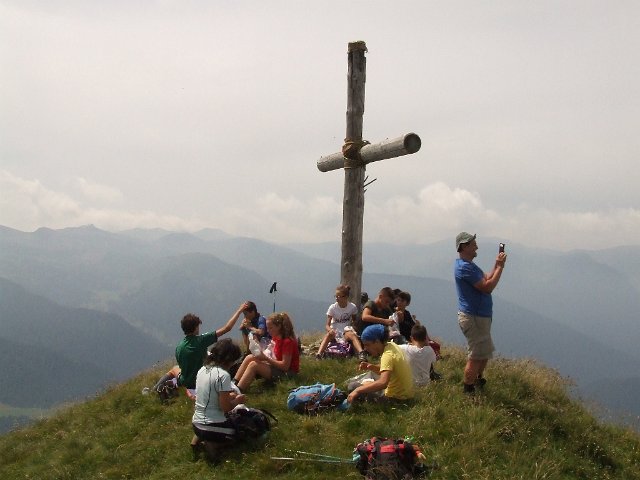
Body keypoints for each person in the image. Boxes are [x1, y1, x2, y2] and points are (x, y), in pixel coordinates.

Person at [153, 302, 249, 397]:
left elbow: (182, 366)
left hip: (185, 382)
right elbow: (227, 328)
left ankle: (155, 389)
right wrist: (239, 310)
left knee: (174, 368)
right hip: (200, 380)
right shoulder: (201, 340)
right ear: (195, 328)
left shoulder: (179, 346)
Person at [454, 232, 507, 394]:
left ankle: (477, 380)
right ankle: (468, 389)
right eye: (473, 244)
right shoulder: (464, 268)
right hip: (474, 317)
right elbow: (487, 287)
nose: (477, 246)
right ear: (464, 246)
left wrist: (496, 265)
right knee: (476, 355)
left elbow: (486, 278)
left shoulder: (469, 265)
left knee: (484, 352)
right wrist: (500, 267)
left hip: (479, 316)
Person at [191, 339, 246, 459]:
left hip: (196, 424)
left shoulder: (202, 370)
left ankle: (196, 440)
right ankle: (213, 444)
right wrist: (237, 401)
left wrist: (228, 397)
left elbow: (210, 396)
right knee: (242, 433)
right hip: (212, 426)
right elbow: (225, 408)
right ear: (229, 360)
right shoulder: (223, 375)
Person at [346, 324, 414, 404]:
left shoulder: (387, 356)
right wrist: (371, 367)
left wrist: (358, 390)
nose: (365, 348)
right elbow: (387, 370)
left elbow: (383, 383)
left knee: (353, 386)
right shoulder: (392, 346)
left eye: (367, 345)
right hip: (406, 396)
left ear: (377, 341)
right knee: (367, 384)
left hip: (395, 399)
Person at [233, 312, 300, 392]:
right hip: (278, 369)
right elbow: (271, 354)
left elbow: (285, 366)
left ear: (279, 327)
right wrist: (258, 345)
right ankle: (234, 383)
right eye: (267, 328)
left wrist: (265, 359)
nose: (268, 331)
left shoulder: (287, 342)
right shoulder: (276, 338)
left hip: (288, 374)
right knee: (250, 357)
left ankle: (237, 391)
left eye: (270, 328)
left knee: (254, 365)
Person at [316, 285, 367, 361]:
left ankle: (361, 353)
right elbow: (327, 325)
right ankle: (319, 354)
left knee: (352, 335)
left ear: (346, 297)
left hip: (345, 331)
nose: (336, 298)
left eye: (339, 296)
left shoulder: (352, 307)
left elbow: (354, 321)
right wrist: (330, 330)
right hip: (335, 331)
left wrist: (353, 328)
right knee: (328, 335)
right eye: (336, 296)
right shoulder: (332, 308)